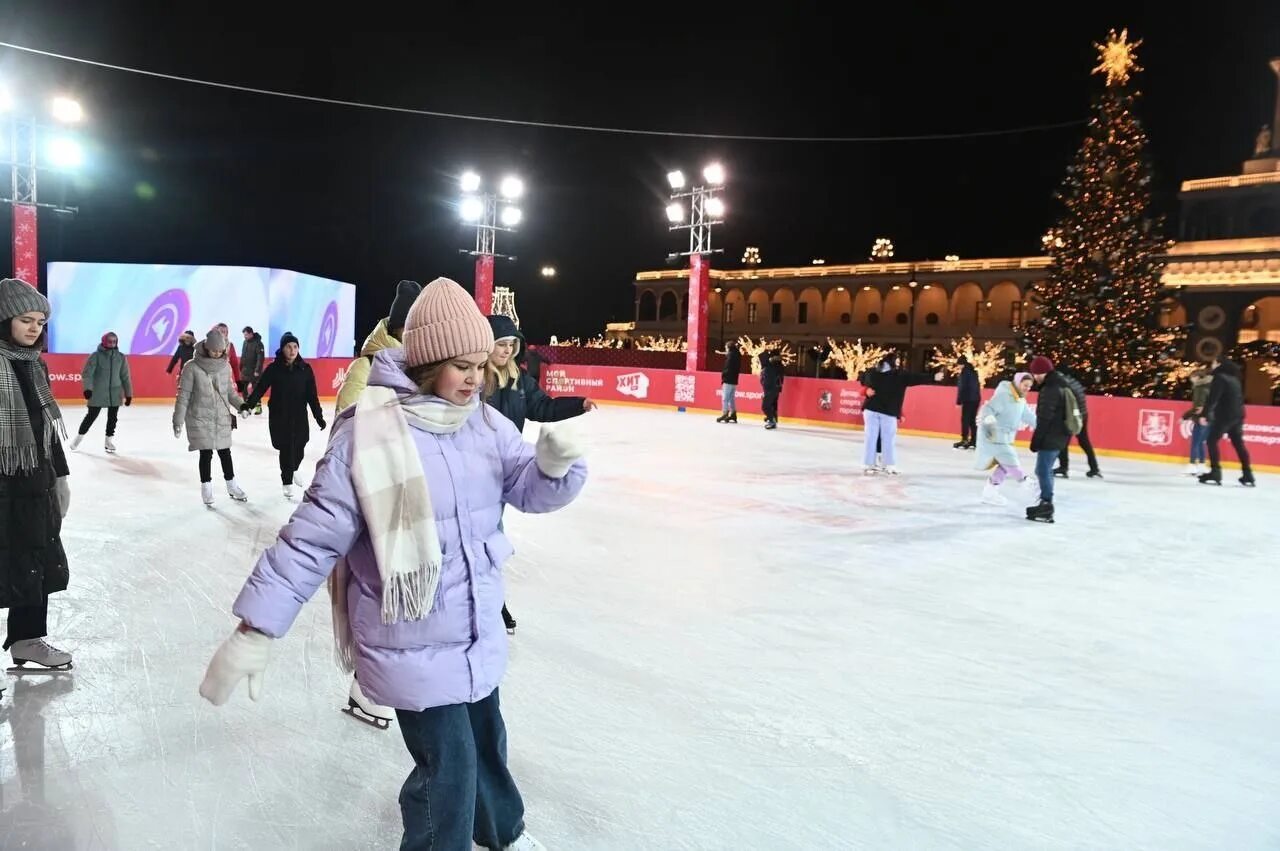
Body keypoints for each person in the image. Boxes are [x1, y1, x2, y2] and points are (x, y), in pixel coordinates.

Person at [199, 277, 586, 851]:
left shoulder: (484, 423)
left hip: (475, 627)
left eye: (480, 364)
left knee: (486, 739)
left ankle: (499, 832)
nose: (476, 377)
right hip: (411, 634)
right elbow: (310, 541)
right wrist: (256, 629)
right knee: (446, 769)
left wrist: (554, 470)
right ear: (428, 363)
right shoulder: (369, 435)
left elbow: (528, 488)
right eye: (462, 365)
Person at [486, 313, 595, 634]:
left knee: (491, 537)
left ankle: (492, 601)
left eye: (511, 345)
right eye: (500, 344)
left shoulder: (520, 381)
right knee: (485, 536)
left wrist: (578, 404)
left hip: (506, 469)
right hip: (473, 466)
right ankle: (492, 604)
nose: (506, 351)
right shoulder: (476, 379)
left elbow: (542, 407)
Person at [0, 278, 73, 691]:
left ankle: (27, 639)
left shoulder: (35, 363)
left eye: (40, 322)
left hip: (35, 480)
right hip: (2, 482)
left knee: (31, 560)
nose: (33, 329)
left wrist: (60, 475)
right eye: (25, 320)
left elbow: (46, 426)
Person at [242, 333, 326, 499]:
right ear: (282, 348)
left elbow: (312, 396)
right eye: (289, 346)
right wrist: (248, 405)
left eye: (295, 346)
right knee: (286, 448)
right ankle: (286, 481)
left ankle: (294, 468)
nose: (292, 350)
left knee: (301, 445)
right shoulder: (274, 369)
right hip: (280, 416)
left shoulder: (305, 369)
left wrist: (318, 416)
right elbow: (260, 388)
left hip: (299, 416)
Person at [173, 330, 249, 507]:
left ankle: (232, 486)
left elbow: (230, 392)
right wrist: (178, 420)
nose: (216, 353)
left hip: (221, 416)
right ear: (206, 348)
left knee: (225, 452)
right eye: (213, 350)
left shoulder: (225, 367)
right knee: (206, 453)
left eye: (220, 351)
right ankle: (206, 488)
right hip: (200, 417)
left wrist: (242, 405)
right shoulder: (191, 367)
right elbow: (183, 395)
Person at [335, 279, 422, 413]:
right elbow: (345, 424)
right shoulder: (365, 367)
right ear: (395, 327)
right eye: (409, 327)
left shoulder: (422, 368)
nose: (414, 333)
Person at [859, 354, 943, 474]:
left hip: (871, 410)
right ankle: (888, 465)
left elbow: (862, 378)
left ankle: (868, 464)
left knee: (871, 438)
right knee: (887, 439)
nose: (898, 364)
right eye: (897, 362)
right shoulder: (899, 375)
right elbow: (916, 378)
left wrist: (866, 390)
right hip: (887, 411)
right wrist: (933, 377)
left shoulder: (872, 372)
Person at [974, 372, 1038, 505]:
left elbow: (1029, 417)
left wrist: (1043, 427)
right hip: (994, 436)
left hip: (1006, 438)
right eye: (1025, 385)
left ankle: (990, 491)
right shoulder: (1004, 395)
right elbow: (988, 409)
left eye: (1029, 386)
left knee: (1004, 465)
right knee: (1010, 459)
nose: (1027, 388)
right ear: (1018, 382)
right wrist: (989, 422)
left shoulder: (1020, 399)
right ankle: (1025, 482)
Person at [1026, 356, 1072, 522]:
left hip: (1052, 435)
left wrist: (1036, 441)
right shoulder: (1060, 384)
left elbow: (1045, 418)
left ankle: (1046, 506)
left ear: (1041, 372)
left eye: (1035, 373)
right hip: (1061, 435)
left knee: (1043, 470)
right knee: (1044, 470)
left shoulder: (1050, 389)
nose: (1034, 377)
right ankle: (1046, 503)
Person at [72, 331, 133, 454]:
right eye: (110, 341)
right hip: (98, 392)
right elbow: (87, 374)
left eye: (114, 341)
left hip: (115, 393)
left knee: (113, 418)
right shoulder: (96, 356)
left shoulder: (121, 357)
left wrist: (128, 394)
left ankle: (108, 441)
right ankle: (78, 438)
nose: (112, 343)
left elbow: (125, 377)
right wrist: (87, 389)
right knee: (91, 416)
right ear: (104, 341)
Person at [1198, 357, 1255, 487]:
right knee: (1239, 444)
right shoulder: (1235, 379)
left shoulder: (1220, 378)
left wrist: (1204, 414)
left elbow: (1213, 398)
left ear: (1219, 364)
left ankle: (1215, 472)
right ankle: (1248, 474)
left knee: (1211, 441)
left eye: (1213, 363)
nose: (1211, 365)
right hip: (1238, 416)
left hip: (1225, 416)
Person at [1054, 369, 1101, 479]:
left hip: (1074, 416)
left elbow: (1067, 403)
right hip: (1083, 414)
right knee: (1084, 442)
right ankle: (1094, 468)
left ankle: (1063, 467)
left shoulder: (1064, 386)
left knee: (1063, 441)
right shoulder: (1073, 382)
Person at [1182, 368, 1212, 476]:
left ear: (1198, 378)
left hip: (1201, 418)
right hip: (1210, 418)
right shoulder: (1209, 387)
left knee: (1195, 442)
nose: (1191, 379)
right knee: (1200, 443)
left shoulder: (1199, 387)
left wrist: (1184, 417)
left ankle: (1192, 465)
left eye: (1192, 377)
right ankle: (1202, 465)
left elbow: (1199, 407)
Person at [953, 356, 981, 449]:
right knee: (972, 420)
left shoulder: (964, 373)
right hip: (976, 399)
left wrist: (958, 401)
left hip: (968, 399)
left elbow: (962, 388)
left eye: (959, 365)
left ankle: (964, 439)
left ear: (961, 364)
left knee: (965, 419)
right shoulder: (974, 372)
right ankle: (974, 440)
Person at [240, 327, 266, 413]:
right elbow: (243, 355)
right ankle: (245, 408)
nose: (245, 337)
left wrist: (257, 370)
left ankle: (258, 407)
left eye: (246, 335)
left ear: (251, 334)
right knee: (244, 390)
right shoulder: (245, 342)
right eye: (244, 335)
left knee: (255, 390)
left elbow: (260, 358)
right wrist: (240, 367)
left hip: (254, 371)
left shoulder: (258, 344)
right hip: (245, 370)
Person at [717, 341, 742, 423]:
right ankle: (733, 414)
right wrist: (721, 352)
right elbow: (729, 353)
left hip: (728, 379)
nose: (725, 349)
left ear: (729, 347)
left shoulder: (730, 356)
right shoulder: (737, 354)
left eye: (726, 347)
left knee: (725, 398)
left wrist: (724, 376)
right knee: (731, 398)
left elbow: (727, 368)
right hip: (734, 380)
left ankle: (725, 413)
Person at [759, 348, 784, 430]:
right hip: (771, 387)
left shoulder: (772, 365)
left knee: (766, 405)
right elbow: (762, 357)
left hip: (772, 388)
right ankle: (771, 418)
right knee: (768, 405)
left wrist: (767, 351)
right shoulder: (769, 364)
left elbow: (762, 356)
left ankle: (772, 420)